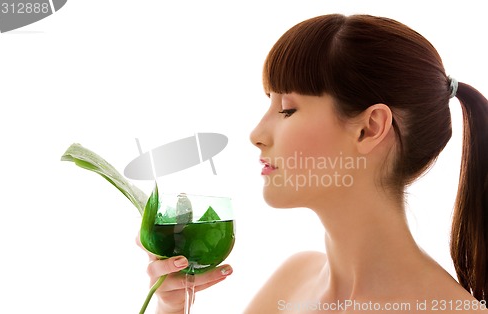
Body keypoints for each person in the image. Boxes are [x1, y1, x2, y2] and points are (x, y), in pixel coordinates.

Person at [137, 14, 488, 313]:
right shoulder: (292, 281)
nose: (256, 133)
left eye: (287, 109)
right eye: (269, 104)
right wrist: (171, 307)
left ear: (369, 128)